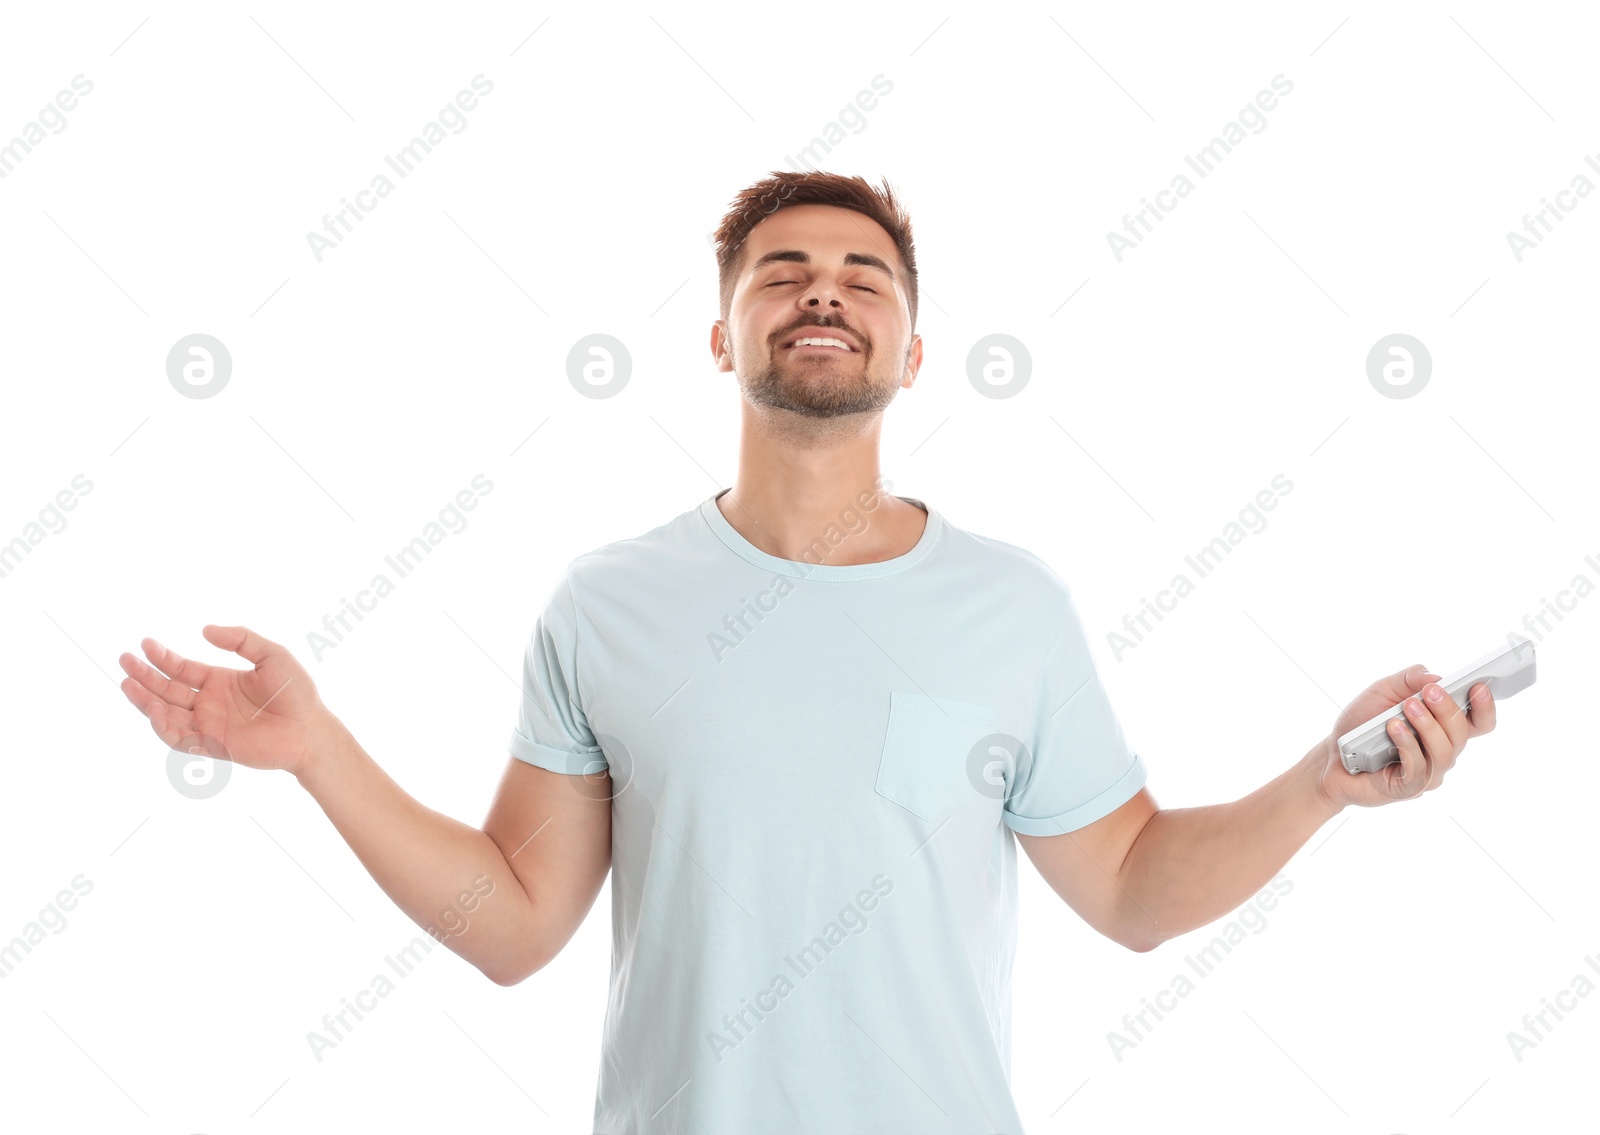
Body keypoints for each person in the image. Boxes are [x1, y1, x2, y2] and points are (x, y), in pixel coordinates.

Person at [118, 170, 1500, 1133]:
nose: (821, 295)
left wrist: (1328, 780)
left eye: (863, 279)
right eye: (783, 276)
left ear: (912, 351)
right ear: (723, 337)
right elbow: (517, 926)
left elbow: (1131, 890)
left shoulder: (1011, 609)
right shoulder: (606, 606)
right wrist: (315, 753)